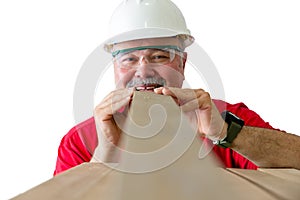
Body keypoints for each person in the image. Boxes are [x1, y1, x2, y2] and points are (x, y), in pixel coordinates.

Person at [54, 0, 300, 175]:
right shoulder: (80, 141)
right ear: (115, 67)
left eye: (160, 56)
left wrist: (226, 133)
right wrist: (103, 156)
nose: (143, 70)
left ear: (182, 64)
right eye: (129, 58)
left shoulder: (223, 119)